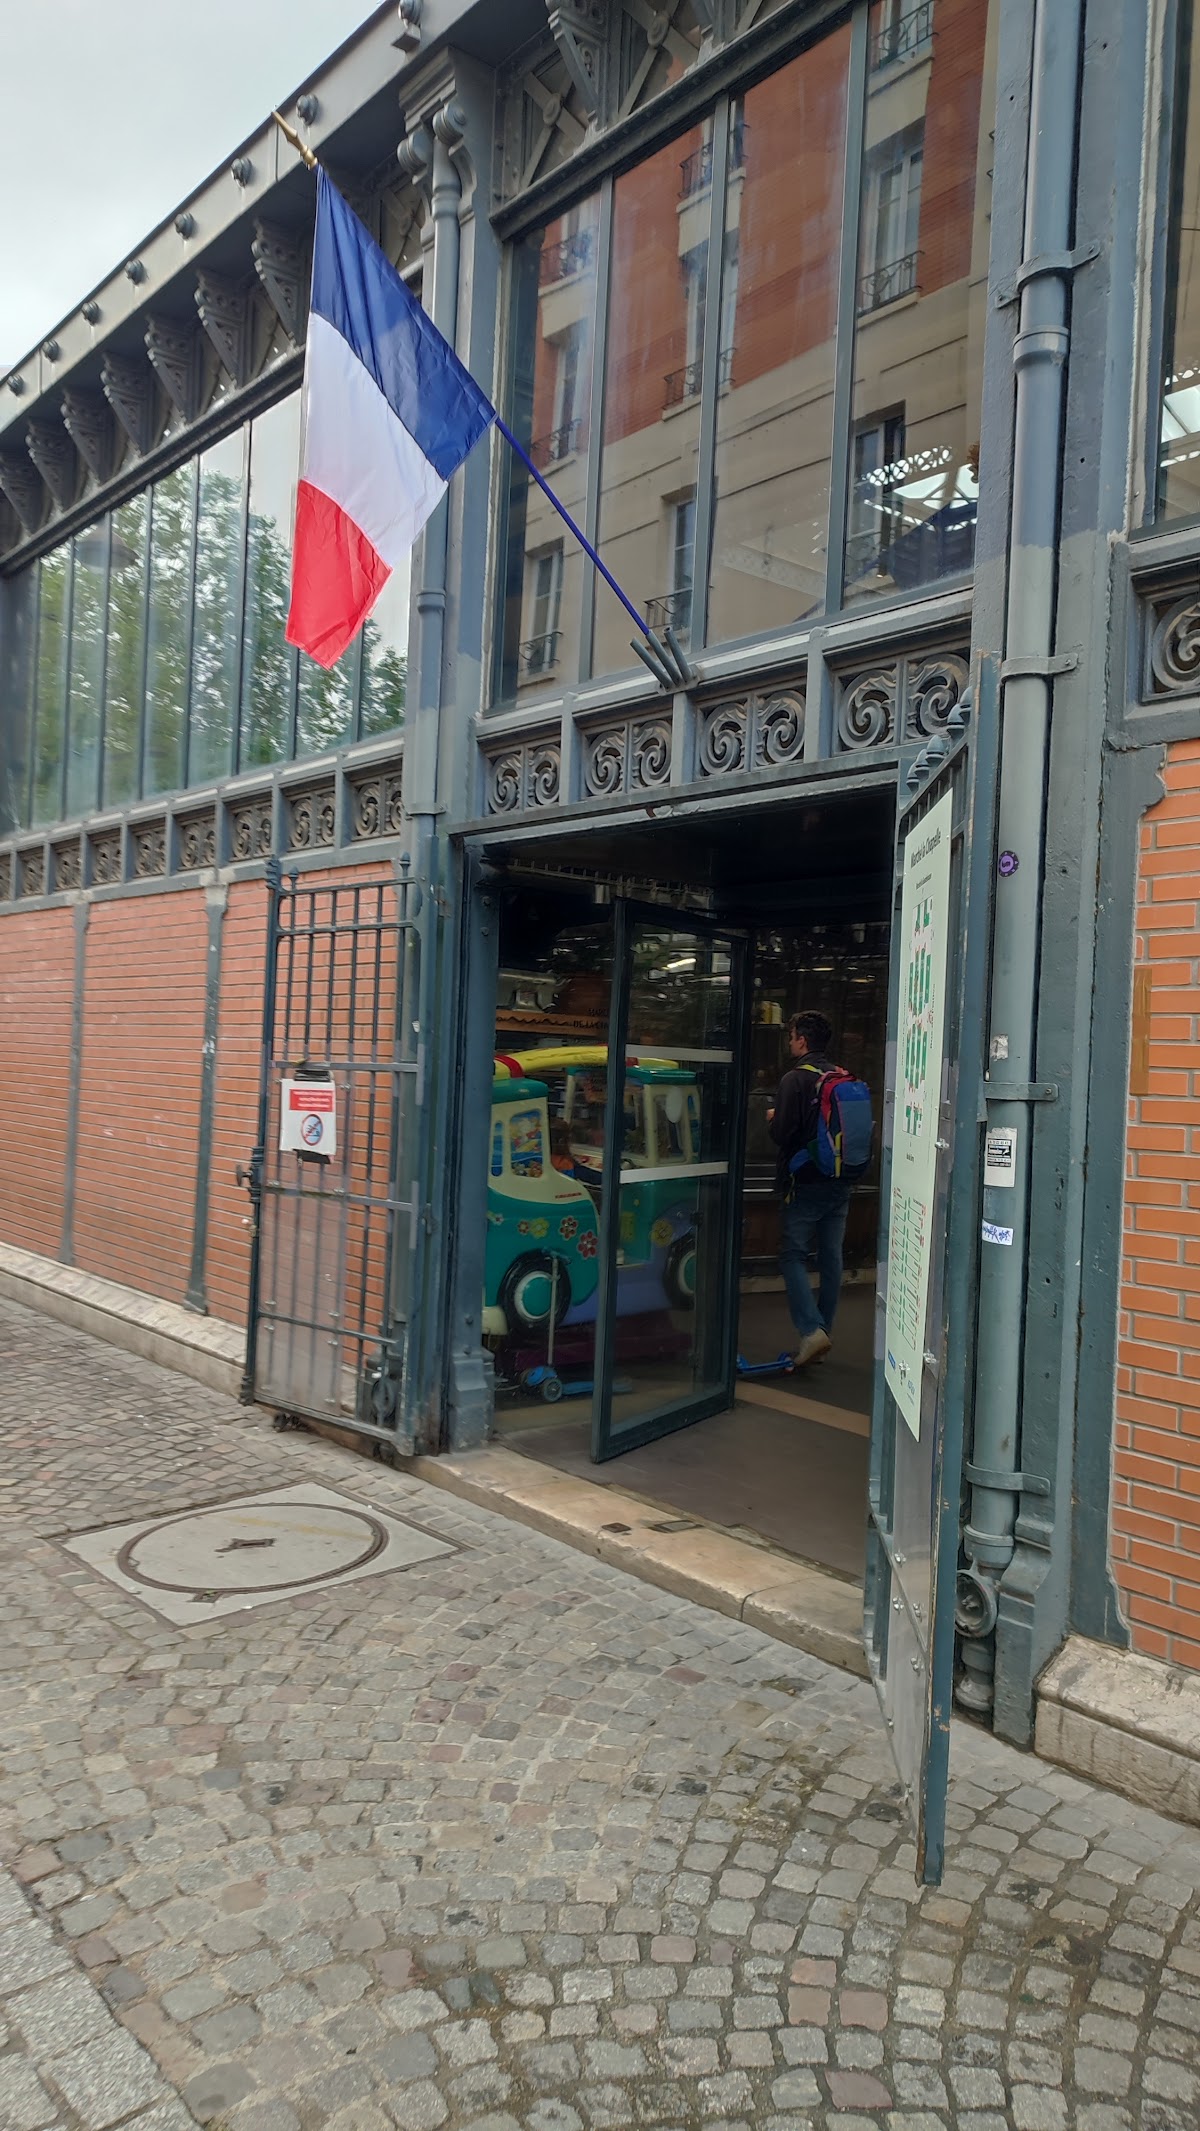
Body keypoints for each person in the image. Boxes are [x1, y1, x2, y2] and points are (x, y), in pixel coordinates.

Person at [767, 1010, 851, 1367]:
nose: (790, 1042)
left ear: (802, 1039)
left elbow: (782, 1134)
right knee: (831, 1257)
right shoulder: (841, 1077)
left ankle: (812, 1331)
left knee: (792, 1255)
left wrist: (772, 1118)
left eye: (791, 1036)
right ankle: (823, 1332)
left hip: (804, 1182)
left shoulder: (795, 1080)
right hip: (840, 1179)